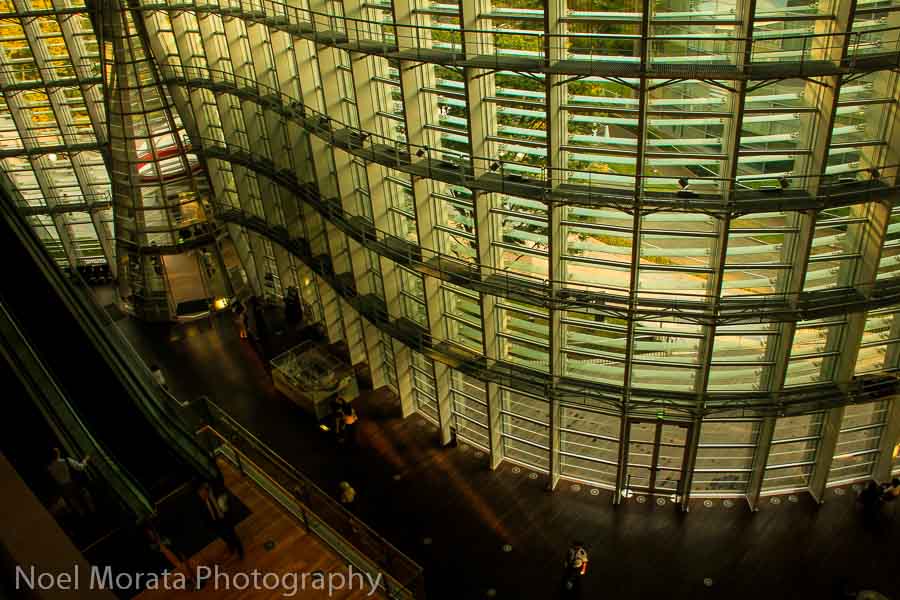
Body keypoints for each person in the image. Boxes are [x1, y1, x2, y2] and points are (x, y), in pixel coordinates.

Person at [197, 482, 244, 560]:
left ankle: (240, 552)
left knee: (233, 536)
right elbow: (203, 516)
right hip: (215, 524)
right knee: (225, 537)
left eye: (202, 493)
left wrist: (228, 512)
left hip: (225, 519)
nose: (201, 496)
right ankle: (231, 547)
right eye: (200, 495)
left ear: (206, 491)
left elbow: (228, 502)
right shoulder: (201, 503)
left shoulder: (217, 494)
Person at [47, 448, 95, 517]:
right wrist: (86, 460)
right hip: (73, 483)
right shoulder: (66, 461)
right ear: (58, 453)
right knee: (85, 494)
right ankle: (93, 512)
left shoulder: (49, 468)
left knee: (75, 503)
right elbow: (80, 467)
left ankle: (84, 517)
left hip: (64, 488)